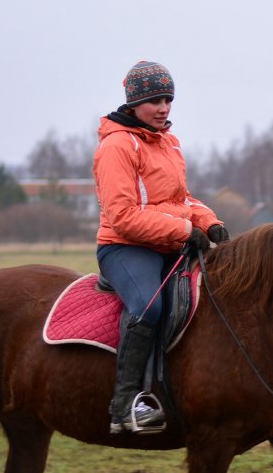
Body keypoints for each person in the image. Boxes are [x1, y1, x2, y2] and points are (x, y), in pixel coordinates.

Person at [93, 60, 229, 434]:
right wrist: (185, 230)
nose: (164, 107)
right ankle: (123, 406)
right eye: (155, 100)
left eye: (168, 98)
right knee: (148, 307)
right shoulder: (118, 146)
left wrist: (209, 222)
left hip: (169, 241)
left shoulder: (169, 142)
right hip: (125, 247)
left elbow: (181, 198)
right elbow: (122, 216)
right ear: (134, 103)